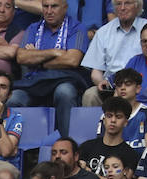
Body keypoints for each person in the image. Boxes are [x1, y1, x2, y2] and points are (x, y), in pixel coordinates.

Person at [8, 0, 89, 138]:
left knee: (65, 92)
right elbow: (21, 58)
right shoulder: (33, 28)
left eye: (54, 6)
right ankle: (19, 152)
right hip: (35, 82)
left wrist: (37, 58)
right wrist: (54, 52)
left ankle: (66, 145)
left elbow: (72, 60)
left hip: (63, 80)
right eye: (46, 6)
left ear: (65, 8)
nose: (49, 11)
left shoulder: (77, 28)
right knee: (14, 98)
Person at [80, 0, 147, 107]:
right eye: (118, 4)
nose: (122, 8)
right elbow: (96, 72)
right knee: (90, 95)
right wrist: (101, 82)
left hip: (141, 85)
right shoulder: (103, 32)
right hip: (112, 86)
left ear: (137, 6)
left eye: (127, 3)